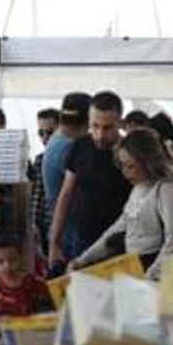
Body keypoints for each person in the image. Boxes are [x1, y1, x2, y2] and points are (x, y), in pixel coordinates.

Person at [70, 129, 173, 279]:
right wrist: (84, 259)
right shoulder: (138, 188)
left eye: (130, 166)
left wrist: (151, 276)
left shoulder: (166, 189)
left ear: (148, 161)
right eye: (123, 166)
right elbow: (117, 228)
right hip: (135, 263)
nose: (125, 173)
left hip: (153, 265)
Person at [48, 91, 133, 270]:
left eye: (108, 127)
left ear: (120, 123)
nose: (100, 135)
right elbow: (66, 194)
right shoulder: (80, 146)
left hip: (120, 243)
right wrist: (54, 241)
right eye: (95, 126)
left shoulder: (130, 152)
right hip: (82, 239)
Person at [43, 93, 90, 270]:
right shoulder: (70, 147)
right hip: (70, 231)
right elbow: (69, 194)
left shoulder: (56, 139)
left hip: (62, 229)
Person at [0, 232, 53, 316]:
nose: (7, 265)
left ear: (20, 257)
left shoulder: (31, 282)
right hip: (3, 328)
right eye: (1, 261)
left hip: (31, 326)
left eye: (12, 260)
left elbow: (50, 300)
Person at [29, 108, 59, 260]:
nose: (45, 138)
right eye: (41, 133)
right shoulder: (40, 159)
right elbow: (37, 196)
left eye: (50, 132)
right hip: (46, 224)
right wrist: (33, 224)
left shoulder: (68, 156)